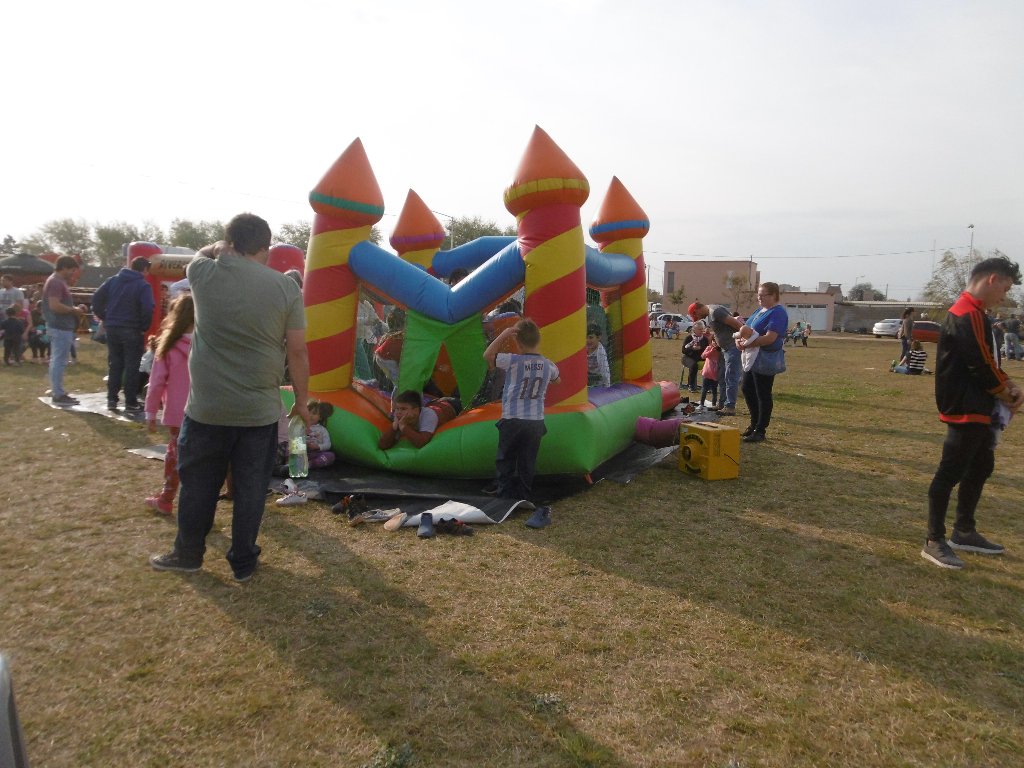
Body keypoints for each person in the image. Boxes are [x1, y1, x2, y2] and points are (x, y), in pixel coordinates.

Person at [150, 213, 309, 582]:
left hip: (207, 407)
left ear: (231, 242)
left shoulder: (204, 273)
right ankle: (243, 561)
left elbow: (201, 253)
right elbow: (298, 352)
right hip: (258, 411)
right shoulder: (286, 289)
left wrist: (220, 247)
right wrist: (301, 400)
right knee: (251, 490)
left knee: (198, 486)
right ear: (266, 247)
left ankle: (188, 554)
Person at [921, 257, 1024, 569]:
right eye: (1004, 288)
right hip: (965, 409)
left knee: (981, 466)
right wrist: (1009, 394)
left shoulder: (977, 314)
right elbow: (979, 366)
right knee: (949, 472)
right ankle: (933, 539)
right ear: (992, 280)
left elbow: (989, 361)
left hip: (978, 408)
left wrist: (1009, 385)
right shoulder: (965, 314)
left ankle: (964, 530)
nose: (1004, 296)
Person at [484, 318, 560, 512]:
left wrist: (503, 334)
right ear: (538, 340)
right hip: (535, 420)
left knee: (505, 457)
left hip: (512, 418)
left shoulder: (512, 361)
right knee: (527, 460)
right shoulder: (548, 364)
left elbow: (488, 355)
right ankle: (525, 495)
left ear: (517, 342)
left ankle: (504, 496)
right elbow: (557, 379)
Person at [144, 294, 194, 515]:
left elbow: (155, 383)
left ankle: (167, 497)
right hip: (205, 409)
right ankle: (196, 503)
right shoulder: (209, 344)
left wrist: (150, 412)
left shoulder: (169, 345)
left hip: (177, 411)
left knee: (175, 454)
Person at [92, 256, 155, 412]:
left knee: (115, 364)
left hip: (113, 327)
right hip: (132, 329)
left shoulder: (113, 280)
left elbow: (96, 298)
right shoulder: (142, 285)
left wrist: (104, 316)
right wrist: (144, 327)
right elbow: (147, 308)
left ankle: (111, 399)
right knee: (132, 366)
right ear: (145, 269)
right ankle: (131, 401)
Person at [736, 282, 789, 443]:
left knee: (763, 393)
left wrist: (746, 344)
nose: (759, 298)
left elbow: (770, 338)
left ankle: (760, 429)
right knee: (747, 388)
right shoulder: (759, 311)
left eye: (762, 295)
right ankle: (753, 424)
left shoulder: (778, 313)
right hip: (751, 357)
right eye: (758, 294)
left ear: (773, 295)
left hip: (765, 358)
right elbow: (746, 329)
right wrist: (739, 341)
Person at [42, 255, 87, 405]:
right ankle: (58, 394)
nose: (72, 274)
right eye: (72, 270)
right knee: (59, 360)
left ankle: (57, 390)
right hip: (59, 326)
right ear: (65, 267)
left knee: (57, 360)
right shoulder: (55, 282)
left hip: (60, 326)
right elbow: (54, 306)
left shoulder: (57, 281)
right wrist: (73, 310)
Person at [688, 301, 743, 416]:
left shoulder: (716, 312)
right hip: (723, 349)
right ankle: (722, 403)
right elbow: (721, 329)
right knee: (722, 377)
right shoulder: (710, 315)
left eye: (696, 316)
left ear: (697, 310)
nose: (698, 318)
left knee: (730, 376)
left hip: (732, 347)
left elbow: (738, 325)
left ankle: (730, 406)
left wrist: (742, 340)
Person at [377, 390, 454, 449]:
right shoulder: (398, 415)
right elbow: (382, 445)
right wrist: (394, 426)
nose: (399, 412)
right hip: (432, 403)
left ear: (415, 410)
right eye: (397, 409)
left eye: (403, 409)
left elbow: (421, 443)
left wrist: (403, 427)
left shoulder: (429, 415)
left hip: (450, 405)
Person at [306, 399, 336, 468]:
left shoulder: (322, 430)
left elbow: (328, 444)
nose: (310, 415)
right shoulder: (301, 426)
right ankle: (291, 462)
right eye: (308, 412)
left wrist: (318, 446)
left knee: (330, 455)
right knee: (292, 444)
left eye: (313, 413)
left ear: (320, 417)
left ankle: (311, 464)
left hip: (315, 453)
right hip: (301, 452)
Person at [679, 321, 707, 392]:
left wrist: (701, 348)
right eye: (699, 329)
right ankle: (691, 385)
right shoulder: (689, 338)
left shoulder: (705, 339)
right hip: (688, 357)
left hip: (700, 358)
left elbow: (707, 349)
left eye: (702, 329)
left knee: (712, 364)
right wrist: (692, 348)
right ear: (694, 330)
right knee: (694, 365)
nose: (701, 331)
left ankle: (708, 386)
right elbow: (683, 350)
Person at [698, 338, 720, 409]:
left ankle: (714, 405)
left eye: (716, 341)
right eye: (714, 341)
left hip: (715, 374)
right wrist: (711, 351)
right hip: (706, 373)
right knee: (704, 389)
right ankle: (701, 404)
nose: (715, 343)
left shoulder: (720, 351)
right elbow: (703, 356)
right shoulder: (708, 348)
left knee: (714, 390)